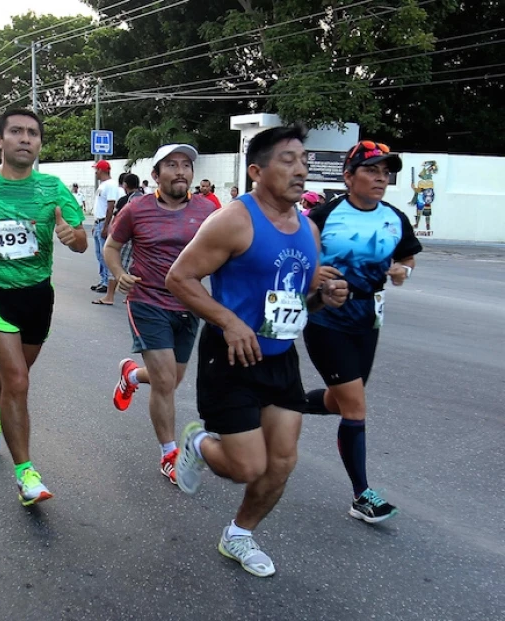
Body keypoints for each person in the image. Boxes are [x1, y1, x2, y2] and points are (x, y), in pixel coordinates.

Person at [165, 125, 348, 577]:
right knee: (246, 467)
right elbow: (179, 278)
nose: (301, 169)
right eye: (288, 160)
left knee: (282, 461)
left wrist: (324, 298)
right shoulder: (233, 219)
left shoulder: (308, 228)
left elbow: (294, 302)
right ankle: (198, 441)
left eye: (303, 161)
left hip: (280, 357)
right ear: (256, 171)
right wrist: (228, 321)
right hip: (230, 357)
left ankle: (239, 534)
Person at [0, 108, 87, 507]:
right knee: (19, 382)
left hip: (38, 293)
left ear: (40, 143)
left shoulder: (54, 188)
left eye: (33, 134)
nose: (26, 139)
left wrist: (70, 234)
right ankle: (26, 474)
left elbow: (81, 242)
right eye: (17, 132)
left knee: (14, 377)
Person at [302, 140, 422, 524]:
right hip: (327, 317)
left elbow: (407, 257)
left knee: (342, 402)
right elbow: (299, 260)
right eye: (372, 170)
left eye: (386, 172)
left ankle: (277, 400)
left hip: (368, 318)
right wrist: (316, 286)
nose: (381, 179)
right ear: (348, 176)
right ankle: (362, 496)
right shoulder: (323, 216)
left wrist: (405, 271)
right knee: (355, 406)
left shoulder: (394, 217)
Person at [107, 146, 216, 485]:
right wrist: (118, 273)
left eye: (186, 165)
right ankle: (169, 453)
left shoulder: (208, 209)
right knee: (166, 381)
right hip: (147, 301)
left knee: (171, 380)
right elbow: (111, 246)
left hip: (190, 305)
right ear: (156, 175)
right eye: (172, 165)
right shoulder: (137, 209)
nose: (181, 171)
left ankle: (132, 375)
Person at [92, 172, 142, 306]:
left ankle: (109, 296)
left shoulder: (125, 200)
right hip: (142, 237)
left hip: (128, 238)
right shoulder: (144, 198)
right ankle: (130, 296)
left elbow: (118, 219)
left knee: (116, 264)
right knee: (136, 266)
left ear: (125, 185)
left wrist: (109, 231)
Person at [91, 160, 122, 293]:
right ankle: (103, 279)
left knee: (105, 254)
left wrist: (106, 226)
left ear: (102, 170)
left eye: (97, 170)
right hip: (98, 222)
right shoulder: (103, 185)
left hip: (104, 222)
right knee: (99, 254)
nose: (95, 172)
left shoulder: (111, 185)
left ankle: (107, 282)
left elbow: (110, 206)